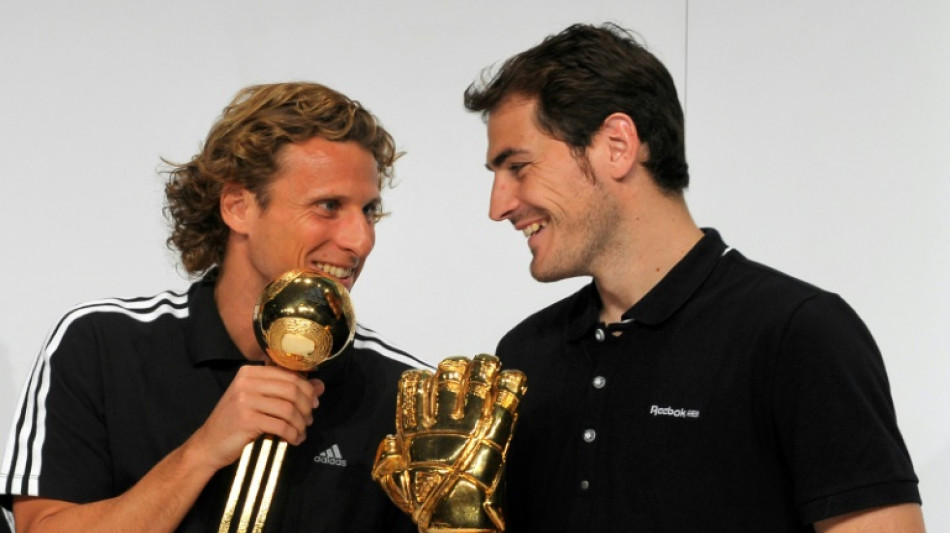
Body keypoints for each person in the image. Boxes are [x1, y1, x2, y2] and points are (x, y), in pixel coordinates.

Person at [464, 23, 924, 532]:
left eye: (518, 166)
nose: (498, 206)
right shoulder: (524, 356)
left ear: (617, 145)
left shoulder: (798, 334)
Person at [0, 82, 425, 532]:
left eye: (369, 211)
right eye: (328, 205)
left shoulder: (406, 396)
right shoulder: (102, 346)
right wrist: (201, 452)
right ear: (238, 207)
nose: (361, 240)